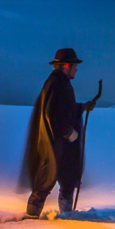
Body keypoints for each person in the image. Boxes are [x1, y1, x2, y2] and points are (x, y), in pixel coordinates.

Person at [20, 48, 96, 219]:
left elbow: (65, 110)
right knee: (44, 182)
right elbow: (52, 114)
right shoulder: (56, 83)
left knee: (67, 180)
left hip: (61, 145)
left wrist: (82, 107)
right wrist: (67, 131)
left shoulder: (61, 83)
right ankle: (30, 221)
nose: (76, 70)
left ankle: (67, 217)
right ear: (67, 66)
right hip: (53, 144)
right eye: (75, 66)